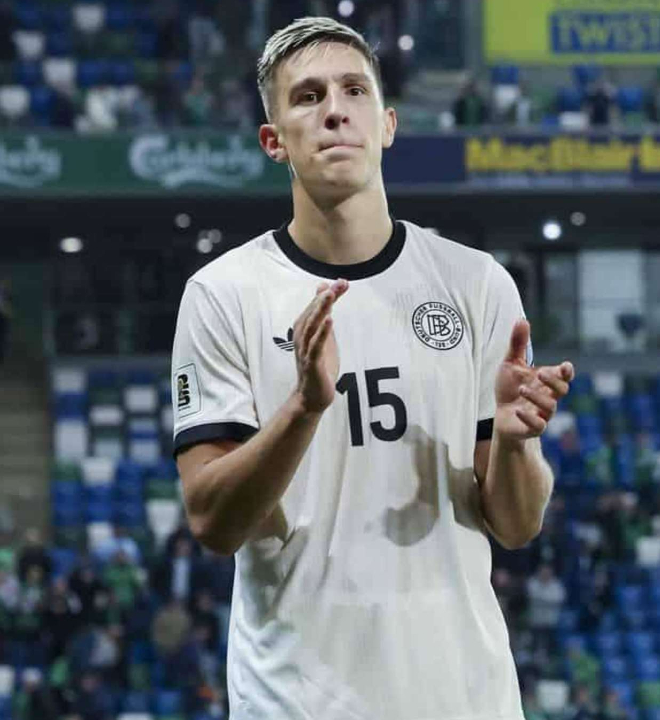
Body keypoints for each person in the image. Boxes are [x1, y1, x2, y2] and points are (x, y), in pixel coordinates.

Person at [169, 17, 573, 719]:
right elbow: (212, 521)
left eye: (354, 90)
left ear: (386, 125)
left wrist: (514, 442)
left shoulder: (475, 284)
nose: (335, 110)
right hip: (299, 703)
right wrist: (303, 409)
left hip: (465, 700)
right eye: (308, 96)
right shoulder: (224, 294)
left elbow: (516, 525)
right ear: (274, 140)